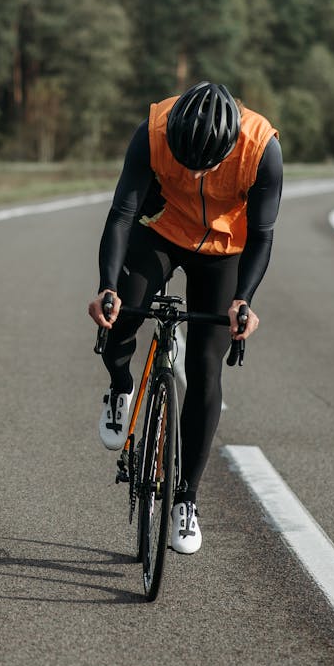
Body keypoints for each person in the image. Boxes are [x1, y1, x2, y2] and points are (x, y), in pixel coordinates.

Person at [86, 81, 281, 554]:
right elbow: (122, 213)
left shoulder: (261, 148)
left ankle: (186, 500)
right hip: (161, 232)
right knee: (120, 314)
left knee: (205, 367)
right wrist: (107, 287)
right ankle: (121, 387)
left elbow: (262, 234)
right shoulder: (152, 130)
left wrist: (244, 300)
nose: (194, 170)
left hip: (225, 250)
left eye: (205, 164)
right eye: (185, 159)